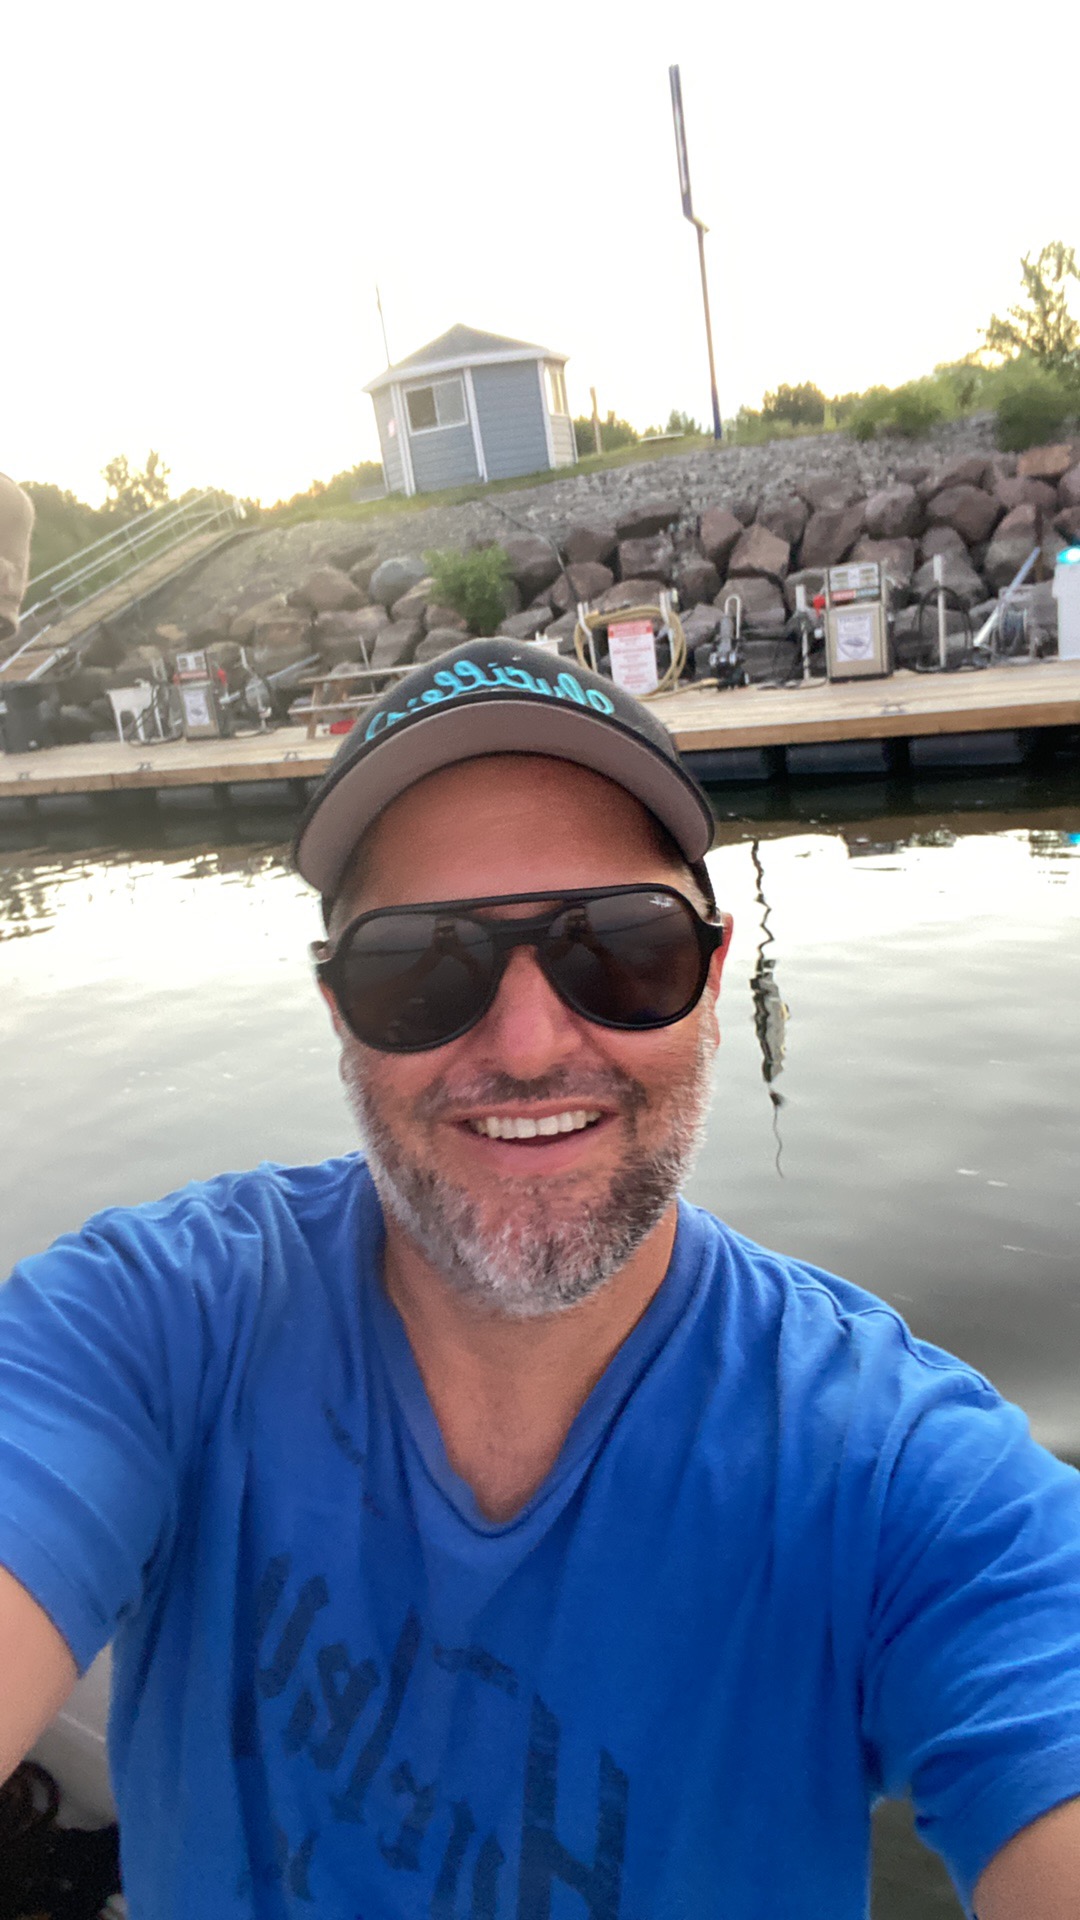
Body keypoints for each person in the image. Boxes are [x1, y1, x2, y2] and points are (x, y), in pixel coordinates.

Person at [1, 637, 1079, 1920]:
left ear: (712, 979)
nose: (525, 1044)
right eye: (421, 967)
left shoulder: (892, 1473)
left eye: (621, 949)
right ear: (339, 1010)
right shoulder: (148, 1329)